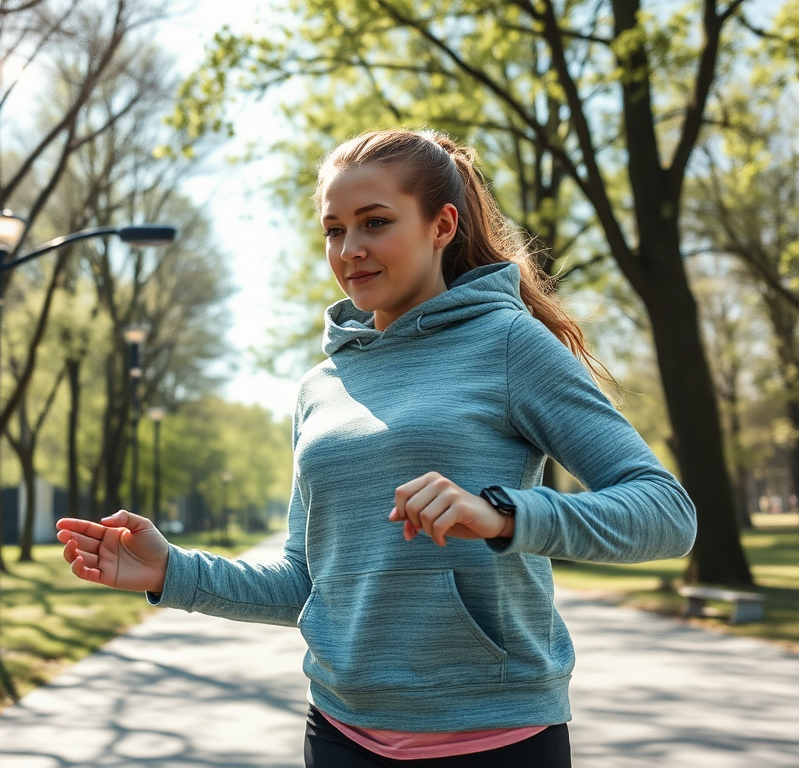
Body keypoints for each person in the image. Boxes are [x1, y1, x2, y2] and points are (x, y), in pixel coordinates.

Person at [56, 128, 697, 767]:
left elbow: (666, 515)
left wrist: (504, 516)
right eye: (335, 230)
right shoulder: (320, 387)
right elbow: (306, 584)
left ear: (441, 225)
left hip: (493, 736)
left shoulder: (509, 345)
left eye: (375, 223)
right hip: (342, 732)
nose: (350, 250)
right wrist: (173, 571)